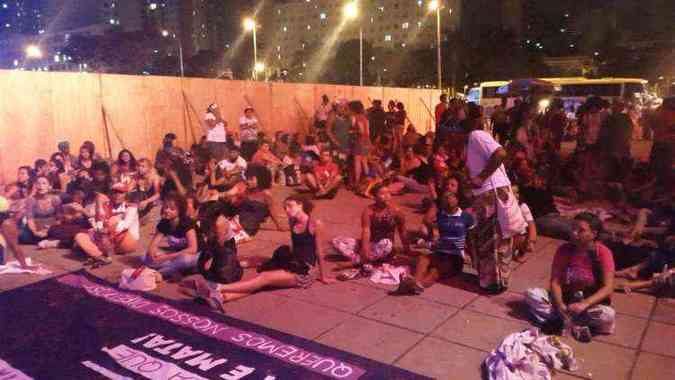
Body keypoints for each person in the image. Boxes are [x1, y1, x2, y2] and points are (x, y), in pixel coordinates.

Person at [194, 196, 334, 309]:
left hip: (305, 271)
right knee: (263, 284)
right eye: (285, 207)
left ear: (301, 204)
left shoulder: (315, 224)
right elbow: (298, 246)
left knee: (264, 278)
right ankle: (221, 298)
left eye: (290, 205)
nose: (286, 210)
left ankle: (217, 288)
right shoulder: (293, 222)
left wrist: (323, 276)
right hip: (293, 263)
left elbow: (319, 252)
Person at [525, 213, 616, 341]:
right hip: (567, 299)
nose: (574, 233)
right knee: (532, 294)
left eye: (581, 230)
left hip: (589, 303)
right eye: (573, 228)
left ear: (594, 234)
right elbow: (555, 282)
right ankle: (574, 323)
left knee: (608, 315)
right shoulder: (564, 250)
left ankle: (562, 321)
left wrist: (585, 304)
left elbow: (608, 288)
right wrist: (560, 305)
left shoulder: (602, 253)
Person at [465, 116, 515, 293]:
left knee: (492, 238)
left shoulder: (476, 135)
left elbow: (501, 153)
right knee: (490, 239)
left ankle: (494, 281)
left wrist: (481, 177)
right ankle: (492, 280)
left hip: (491, 193)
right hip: (488, 193)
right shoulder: (472, 142)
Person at [398, 191, 476, 294]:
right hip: (439, 253)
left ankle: (419, 284)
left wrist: (474, 258)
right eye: (445, 197)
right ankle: (415, 281)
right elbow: (434, 233)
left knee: (434, 271)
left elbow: (470, 239)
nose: (448, 199)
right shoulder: (440, 216)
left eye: (451, 196)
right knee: (423, 259)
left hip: (455, 257)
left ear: (457, 199)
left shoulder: (466, 217)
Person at [333, 184, 409, 277]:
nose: (386, 196)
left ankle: (355, 262)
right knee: (337, 241)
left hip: (385, 248)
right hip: (370, 244)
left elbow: (402, 231)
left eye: (388, 193)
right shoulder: (368, 211)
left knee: (387, 243)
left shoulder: (396, 211)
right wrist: (365, 248)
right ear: (374, 197)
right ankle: (364, 259)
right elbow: (366, 230)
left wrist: (407, 249)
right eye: (382, 193)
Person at [74, 183, 139, 267]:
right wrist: (99, 229)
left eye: (120, 193)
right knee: (80, 236)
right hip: (110, 242)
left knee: (113, 220)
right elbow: (97, 224)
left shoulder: (131, 207)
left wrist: (105, 230)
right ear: (110, 194)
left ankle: (98, 252)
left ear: (126, 195)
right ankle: (100, 257)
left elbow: (124, 226)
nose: (117, 195)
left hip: (127, 242)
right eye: (115, 192)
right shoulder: (105, 206)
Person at [145, 193, 199, 278]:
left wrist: (166, 257)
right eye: (166, 207)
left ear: (180, 211)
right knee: (146, 258)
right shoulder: (164, 222)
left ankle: (162, 273)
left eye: (172, 209)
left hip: (194, 255)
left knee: (184, 260)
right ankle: (175, 270)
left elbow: (193, 249)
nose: (167, 210)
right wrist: (151, 253)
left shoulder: (187, 223)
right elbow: (153, 244)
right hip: (175, 254)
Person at [19, 176, 62, 245]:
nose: (40, 186)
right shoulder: (31, 200)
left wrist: (49, 229)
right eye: (38, 184)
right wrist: (35, 231)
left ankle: (49, 240)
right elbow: (30, 219)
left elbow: (59, 218)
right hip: (36, 228)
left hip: (51, 227)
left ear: (49, 186)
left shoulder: (55, 199)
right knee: (24, 237)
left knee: (61, 233)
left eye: (44, 183)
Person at [349, 100, 371, 186]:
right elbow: (368, 132)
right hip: (367, 141)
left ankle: (357, 182)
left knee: (357, 162)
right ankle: (369, 180)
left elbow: (361, 131)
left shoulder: (355, 117)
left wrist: (351, 132)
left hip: (359, 142)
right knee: (364, 162)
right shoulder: (365, 118)